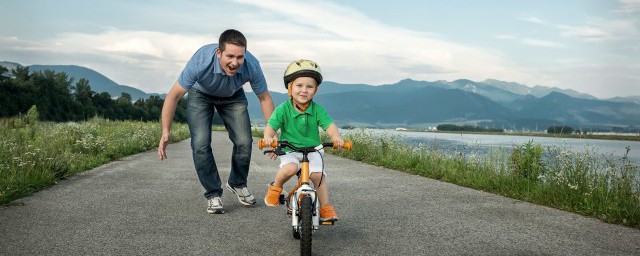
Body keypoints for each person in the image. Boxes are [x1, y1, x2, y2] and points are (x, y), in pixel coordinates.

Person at [158, 29, 275, 214]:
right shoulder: (201, 61)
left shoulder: (251, 64)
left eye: (240, 57)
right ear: (219, 52)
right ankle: (213, 194)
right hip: (200, 94)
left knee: (244, 141)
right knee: (201, 144)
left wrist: (272, 131)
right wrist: (166, 130)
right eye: (230, 56)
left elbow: (265, 98)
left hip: (233, 95)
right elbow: (174, 96)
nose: (235, 63)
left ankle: (237, 183)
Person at [261, 59, 344, 221]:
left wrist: (336, 137)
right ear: (290, 89)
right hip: (290, 149)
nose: (304, 90)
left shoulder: (317, 109)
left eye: (309, 86)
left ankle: (326, 208)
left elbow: (330, 125)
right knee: (290, 168)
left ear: (316, 90)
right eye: (299, 86)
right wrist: (268, 137)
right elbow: (271, 126)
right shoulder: (283, 109)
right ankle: (275, 187)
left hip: (313, 149)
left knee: (317, 176)